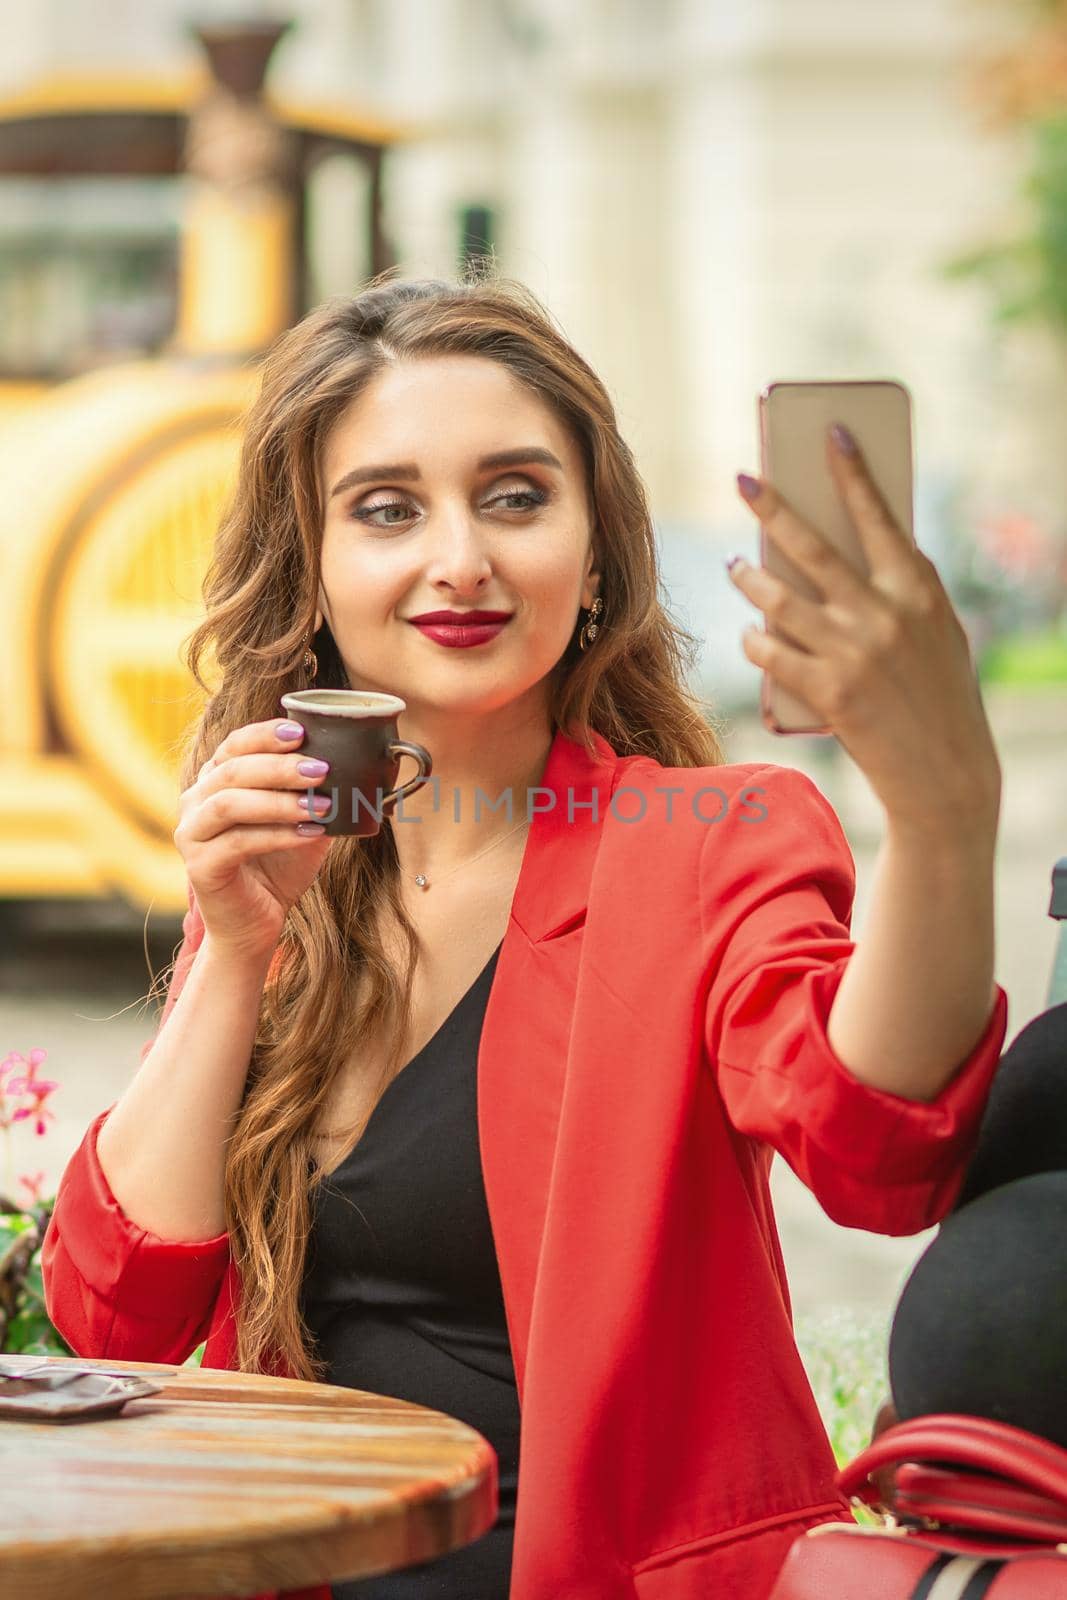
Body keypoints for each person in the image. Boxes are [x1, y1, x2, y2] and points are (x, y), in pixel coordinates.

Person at [42, 273, 1009, 1600]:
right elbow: (116, 1313)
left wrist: (941, 813)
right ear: (314, 569)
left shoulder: (708, 837)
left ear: (597, 549)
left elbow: (878, 1148)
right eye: (388, 508)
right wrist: (234, 952)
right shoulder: (293, 869)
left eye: (514, 495)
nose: (461, 558)